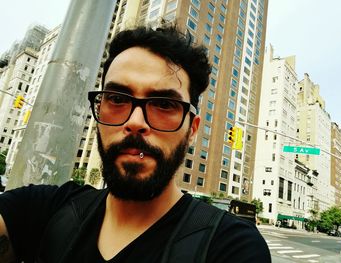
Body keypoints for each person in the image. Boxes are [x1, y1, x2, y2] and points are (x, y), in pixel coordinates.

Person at [0, 24, 271, 263]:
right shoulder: (47, 210)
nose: (136, 121)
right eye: (117, 99)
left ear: (192, 130)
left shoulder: (230, 247)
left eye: (164, 104)